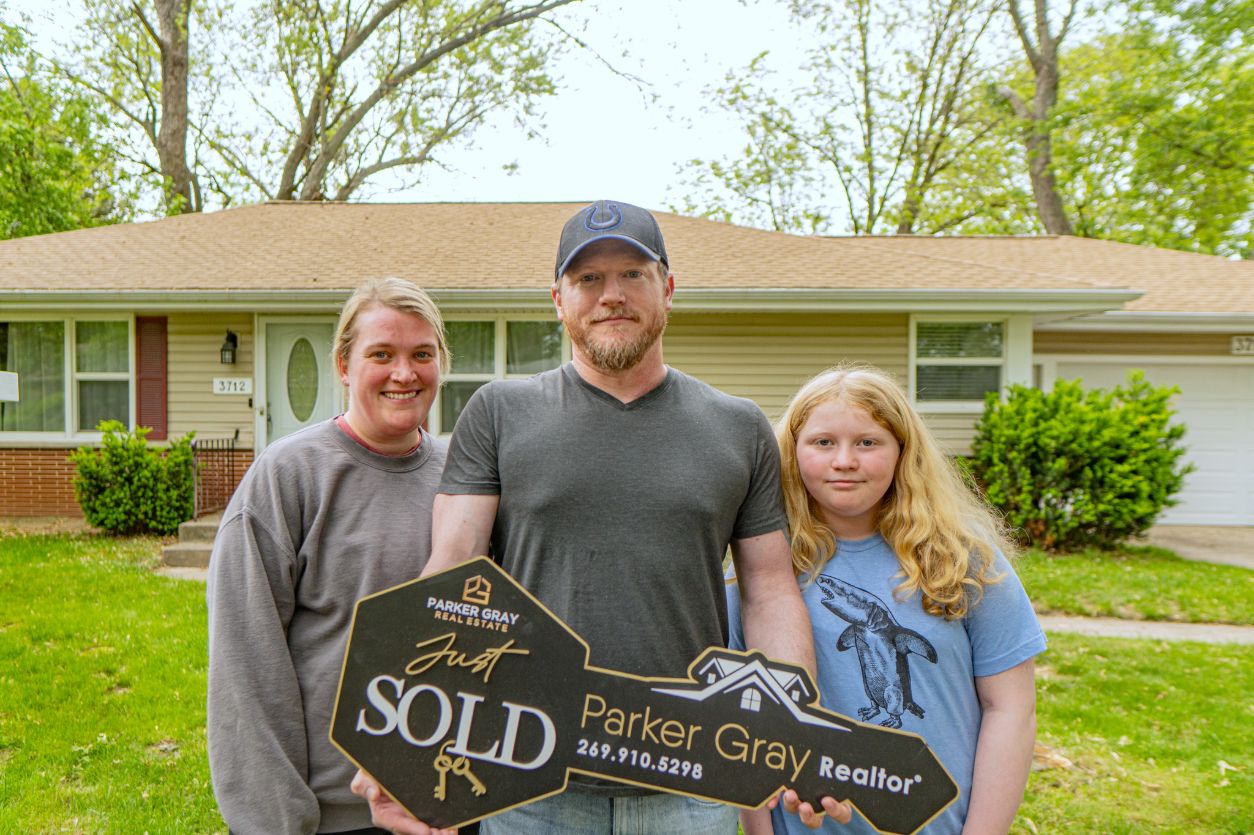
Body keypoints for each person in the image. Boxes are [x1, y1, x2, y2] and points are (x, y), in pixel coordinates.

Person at [352, 200, 850, 834]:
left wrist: (795, 725)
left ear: (668, 290)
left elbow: (770, 591)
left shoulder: (738, 426)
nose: (611, 295)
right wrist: (398, 737)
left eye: (633, 274)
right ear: (558, 301)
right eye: (588, 278)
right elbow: (452, 573)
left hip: (690, 779)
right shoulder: (499, 413)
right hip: (528, 776)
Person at [727, 365, 1045, 835]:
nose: (844, 461)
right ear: (791, 453)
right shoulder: (759, 568)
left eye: (868, 442)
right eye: (822, 442)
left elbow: (1010, 709)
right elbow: (741, 715)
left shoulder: (963, 558)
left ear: (903, 451)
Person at [207, 277, 451, 834]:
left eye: (422, 355)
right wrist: (275, 821)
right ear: (344, 365)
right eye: (381, 355)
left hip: (444, 803)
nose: (404, 373)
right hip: (329, 815)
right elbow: (245, 663)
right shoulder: (288, 476)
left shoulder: (465, 479)